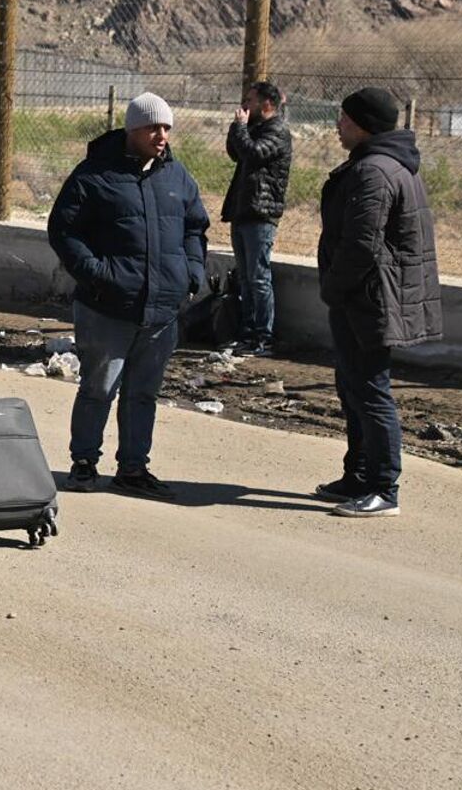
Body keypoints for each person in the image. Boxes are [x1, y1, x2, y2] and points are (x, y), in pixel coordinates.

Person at [47, 92, 209, 499]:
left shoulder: (177, 177)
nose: (162, 135)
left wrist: (191, 273)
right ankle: (84, 463)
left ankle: (133, 468)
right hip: (108, 306)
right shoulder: (95, 174)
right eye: (154, 127)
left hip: (162, 310)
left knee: (143, 393)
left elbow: (195, 227)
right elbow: (64, 231)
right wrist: (98, 275)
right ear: (133, 129)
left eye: (167, 127)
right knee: (99, 388)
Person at [315, 87, 442, 517]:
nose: (338, 125)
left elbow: (361, 246)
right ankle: (358, 475)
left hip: (369, 299)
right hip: (369, 296)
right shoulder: (382, 165)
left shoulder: (374, 172)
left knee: (370, 390)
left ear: (364, 125)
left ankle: (384, 488)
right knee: (353, 387)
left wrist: (333, 287)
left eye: (344, 119)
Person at [222, 80, 293, 355]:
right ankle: (247, 332)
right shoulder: (254, 128)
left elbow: (253, 153)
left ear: (266, 104)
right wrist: (237, 126)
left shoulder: (277, 131)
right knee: (246, 277)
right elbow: (235, 153)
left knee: (258, 277)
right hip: (243, 210)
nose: (245, 105)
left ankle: (264, 336)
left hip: (261, 213)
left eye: (250, 100)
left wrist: (241, 128)